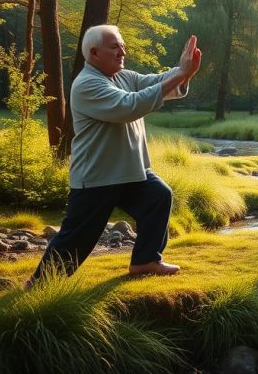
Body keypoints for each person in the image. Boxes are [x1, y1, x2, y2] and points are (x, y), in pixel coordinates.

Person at [25, 25, 202, 288]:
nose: (122, 51)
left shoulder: (123, 76)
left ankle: (145, 260)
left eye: (122, 45)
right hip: (98, 176)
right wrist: (180, 74)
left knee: (158, 196)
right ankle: (39, 284)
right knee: (78, 237)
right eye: (115, 46)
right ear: (94, 53)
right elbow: (128, 106)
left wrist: (182, 73)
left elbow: (154, 83)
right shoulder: (86, 84)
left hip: (131, 171)